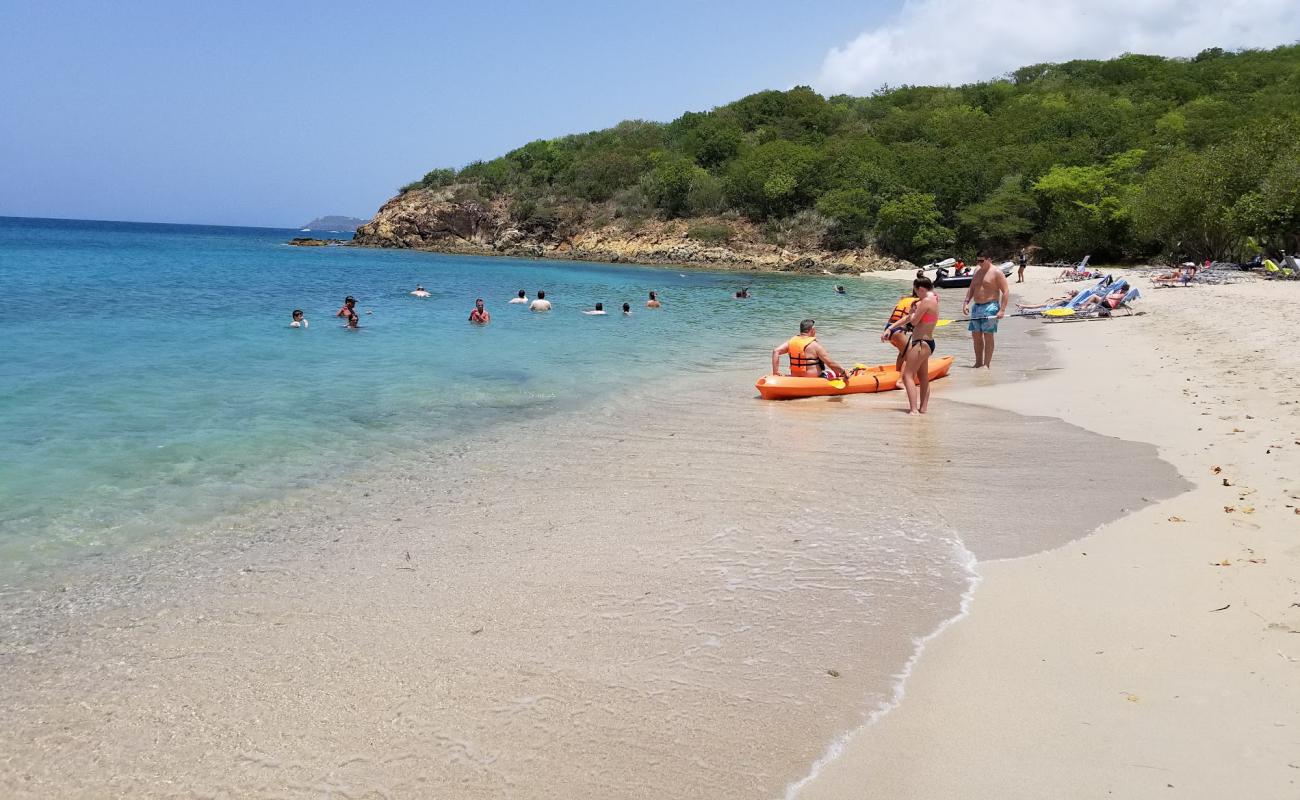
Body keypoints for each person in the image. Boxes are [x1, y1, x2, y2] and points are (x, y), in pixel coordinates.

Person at [881, 276, 939, 415]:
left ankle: (913, 410)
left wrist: (913, 312)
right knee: (923, 376)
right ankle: (923, 408)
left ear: (920, 289)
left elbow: (912, 322)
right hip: (928, 343)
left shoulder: (925, 301)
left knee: (907, 375)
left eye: (916, 291)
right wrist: (891, 328)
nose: (916, 294)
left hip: (920, 343)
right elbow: (907, 318)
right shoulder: (934, 298)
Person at [962, 254, 1010, 368]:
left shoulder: (996, 272)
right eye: (977, 260)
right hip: (976, 306)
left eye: (981, 260)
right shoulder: (977, 270)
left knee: (988, 336)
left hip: (991, 306)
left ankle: (986, 364)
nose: (979, 262)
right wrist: (966, 302)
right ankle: (978, 362)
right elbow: (972, 287)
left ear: (989, 259)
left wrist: (1002, 310)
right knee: (976, 336)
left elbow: (1006, 291)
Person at [771, 319, 846, 380]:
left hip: (795, 378)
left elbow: (775, 351)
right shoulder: (815, 345)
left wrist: (775, 372)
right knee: (834, 373)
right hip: (814, 379)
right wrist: (843, 372)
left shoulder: (790, 342)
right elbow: (831, 364)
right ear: (813, 330)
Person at [885, 289, 918, 371]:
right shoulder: (917, 302)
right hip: (898, 331)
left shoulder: (904, 299)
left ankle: (898, 371)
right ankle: (902, 378)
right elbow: (913, 319)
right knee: (909, 353)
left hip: (889, 328)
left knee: (903, 351)